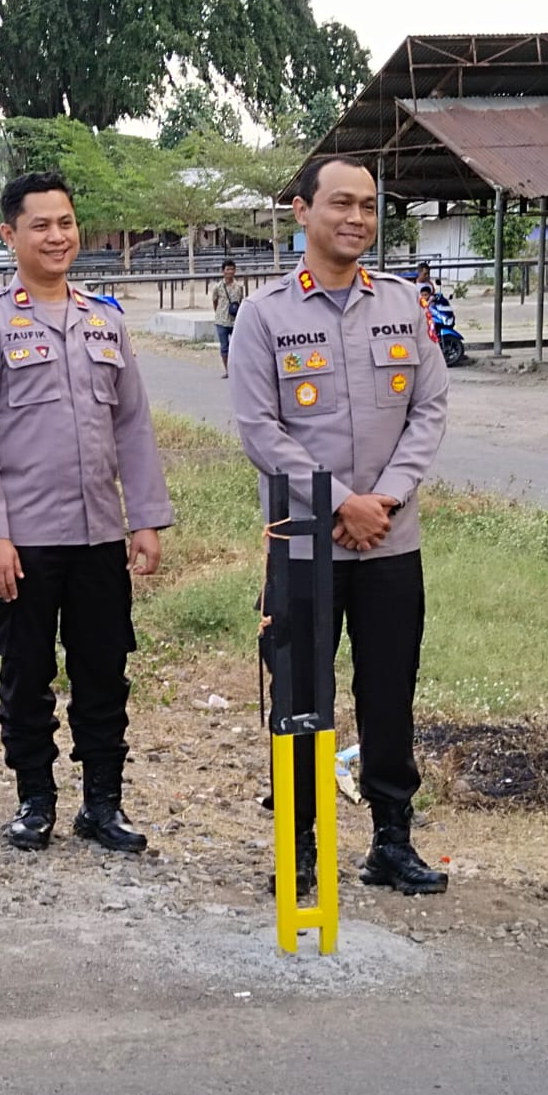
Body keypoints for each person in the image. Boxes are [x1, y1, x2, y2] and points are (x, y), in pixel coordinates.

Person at [230, 154, 451, 897]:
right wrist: (339, 504)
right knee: (301, 701)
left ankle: (391, 841)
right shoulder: (264, 315)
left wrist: (381, 500)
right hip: (304, 544)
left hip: (392, 539)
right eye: (340, 204)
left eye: (367, 206)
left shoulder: (403, 303)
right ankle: (299, 849)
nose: (356, 219)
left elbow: (429, 411)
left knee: (390, 695)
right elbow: (261, 430)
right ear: (302, 212)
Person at [0, 171, 174, 854]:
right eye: (41, 225)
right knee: (27, 678)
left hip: (98, 535)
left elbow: (133, 427)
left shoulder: (105, 320)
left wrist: (145, 518)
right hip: (23, 541)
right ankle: (35, 801)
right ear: (10, 235)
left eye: (66, 222)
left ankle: (102, 805)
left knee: (103, 672)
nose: (57, 236)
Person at [210, 259, 246, 378]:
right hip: (221, 320)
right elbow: (215, 301)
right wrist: (219, 313)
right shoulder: (218, 287)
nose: (230, 272)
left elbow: (242, 302)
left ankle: (237, 369)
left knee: (237, 347)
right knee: (224, 347)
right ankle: (228, 370)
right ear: (223, 271)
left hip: (235, 321)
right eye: (227, 269)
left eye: (232, 269)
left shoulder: (239, 286)